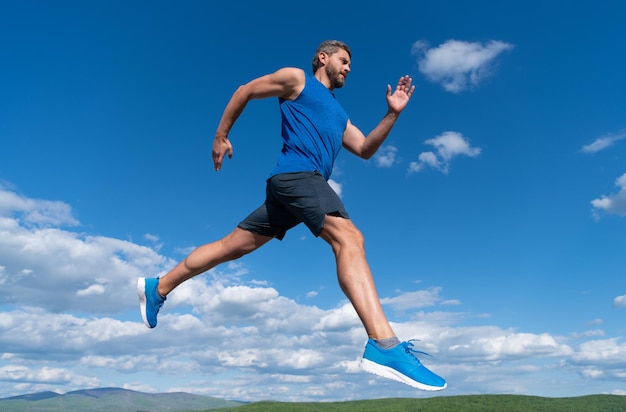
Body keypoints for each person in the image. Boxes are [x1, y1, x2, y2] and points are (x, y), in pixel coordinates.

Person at [137, 40, 446, 391]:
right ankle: (384, 344)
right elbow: (245, 91)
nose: (348, 68)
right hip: (297, 177)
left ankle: (158, 286)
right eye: (344, 61)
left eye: (350, 65)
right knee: (349, 238)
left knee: (231, 246)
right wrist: (221, 136)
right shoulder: (297, 80)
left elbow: (364, 149)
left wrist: (392, 114)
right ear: (323, 58)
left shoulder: (339, 113)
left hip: (292, 189)